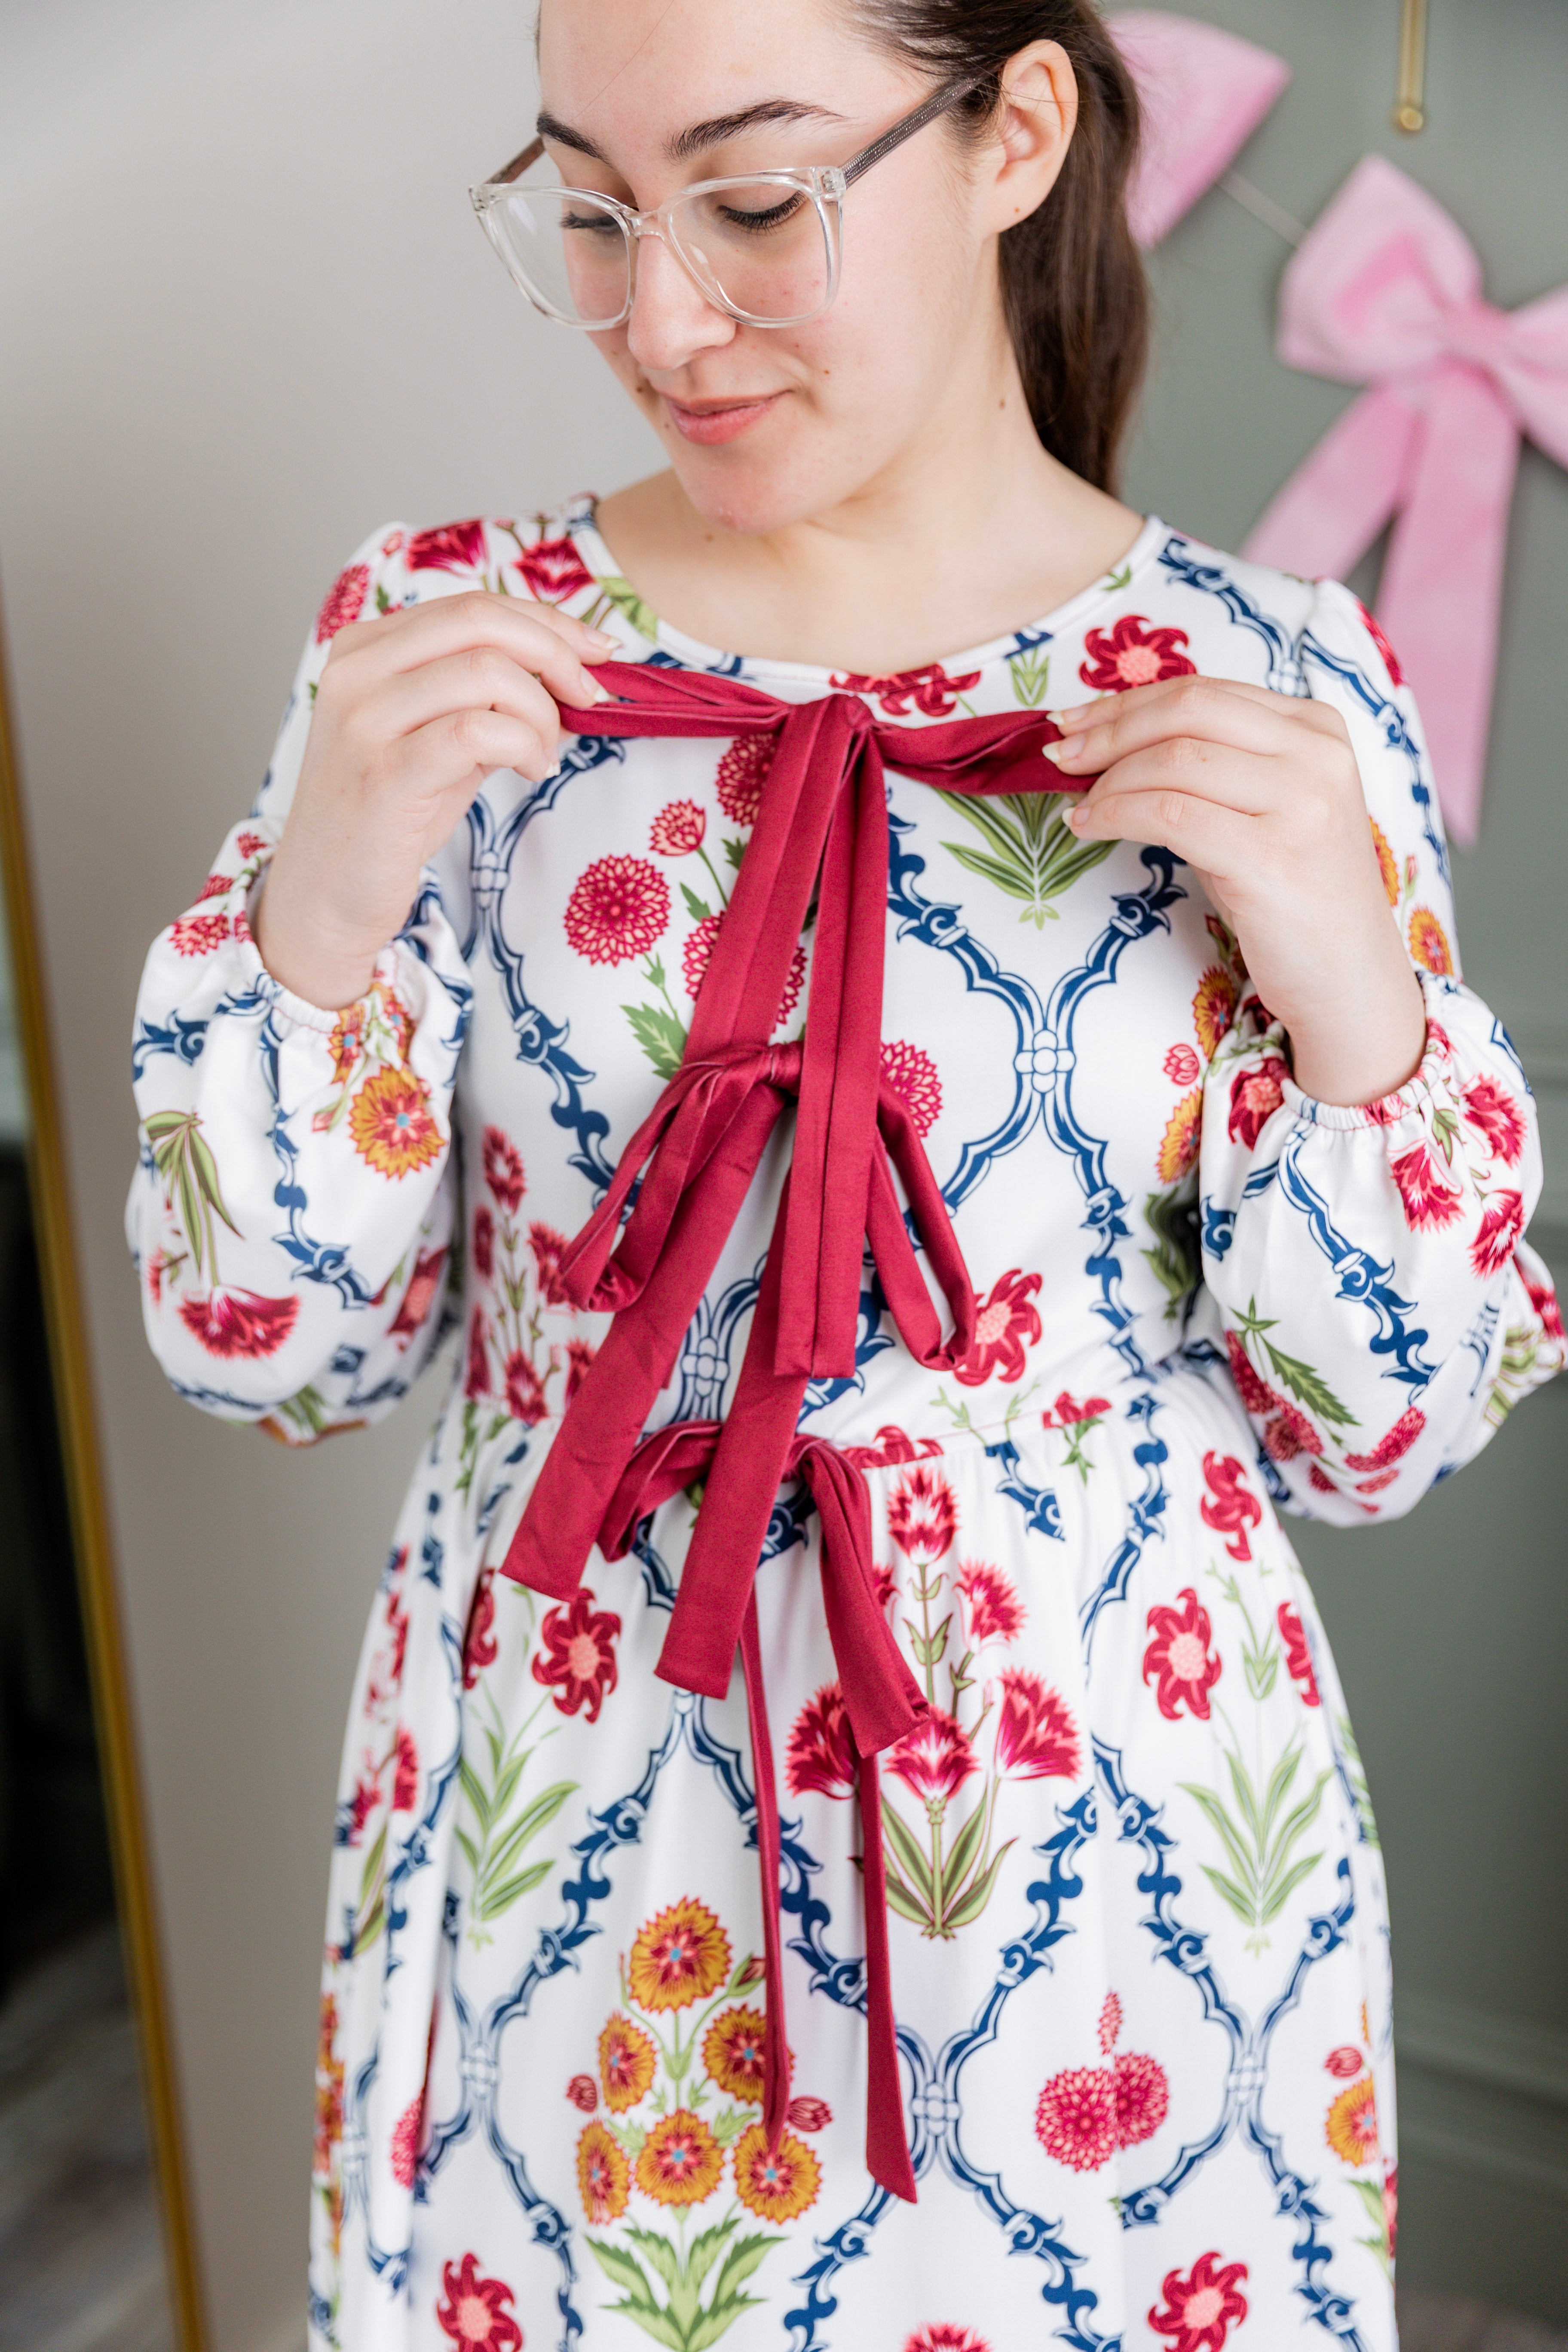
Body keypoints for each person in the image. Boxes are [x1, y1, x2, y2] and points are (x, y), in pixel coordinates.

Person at [128, 3, 1563, 2346]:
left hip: (1104, 1893)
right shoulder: (442, 651)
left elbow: (1383, 1439)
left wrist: (1357, 1009)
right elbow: (269, 1358)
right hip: (577, 1864)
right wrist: (313, 930)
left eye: (754, 201)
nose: (663, 318)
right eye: (594, 211)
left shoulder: (1275, 686)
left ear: (1016, 132)